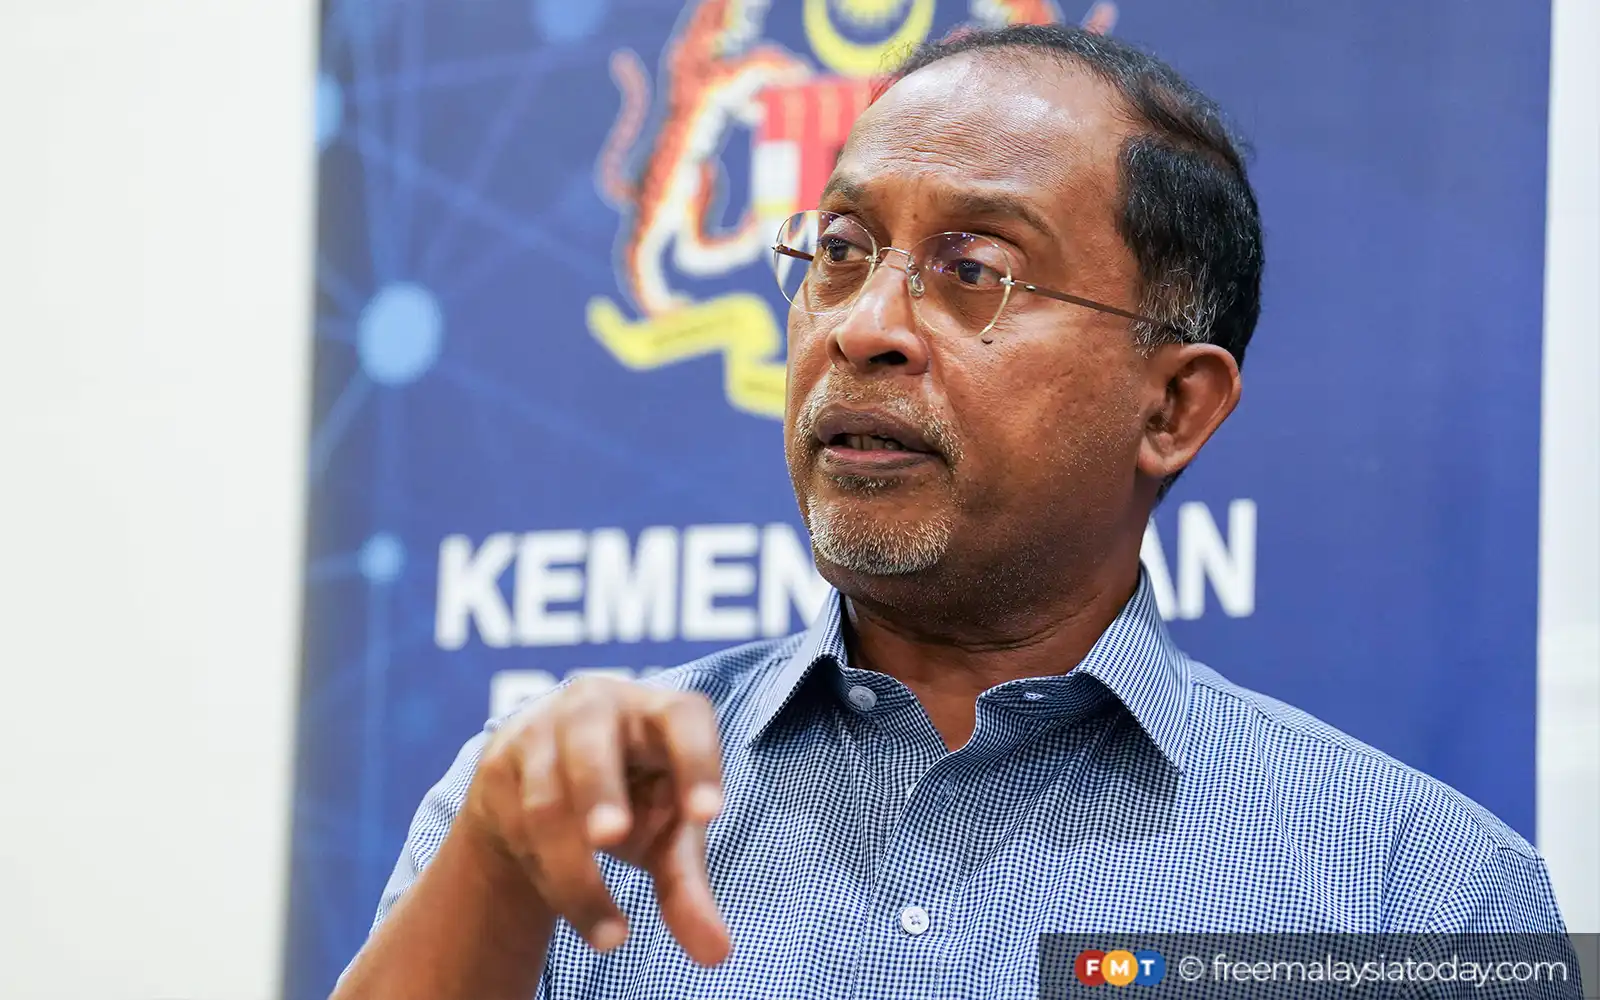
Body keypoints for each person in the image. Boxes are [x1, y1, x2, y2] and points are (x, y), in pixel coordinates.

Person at [331, 23, 1567, 1000]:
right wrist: (492, 860)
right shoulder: (554, 817)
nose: (864, 327)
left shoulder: (1425, 898)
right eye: (840, 251)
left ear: (1173, 406)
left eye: (974, 271)